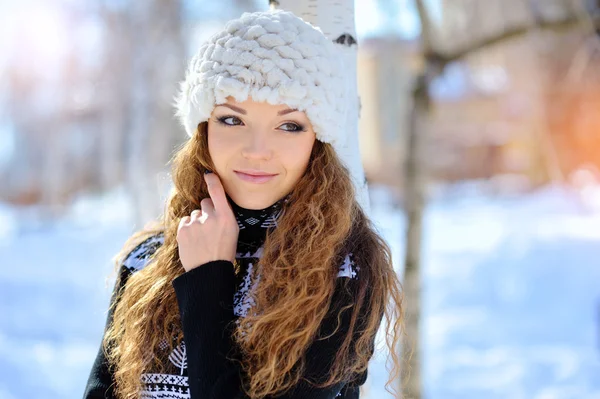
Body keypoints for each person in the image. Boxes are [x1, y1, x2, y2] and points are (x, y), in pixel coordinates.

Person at [83, 9, 403, 399]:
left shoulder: (343, 269)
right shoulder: (147, 259)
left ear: (317, 142)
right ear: (204, 128)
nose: (257, 151)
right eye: (233, 120)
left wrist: (208, 279)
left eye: (289, 125)